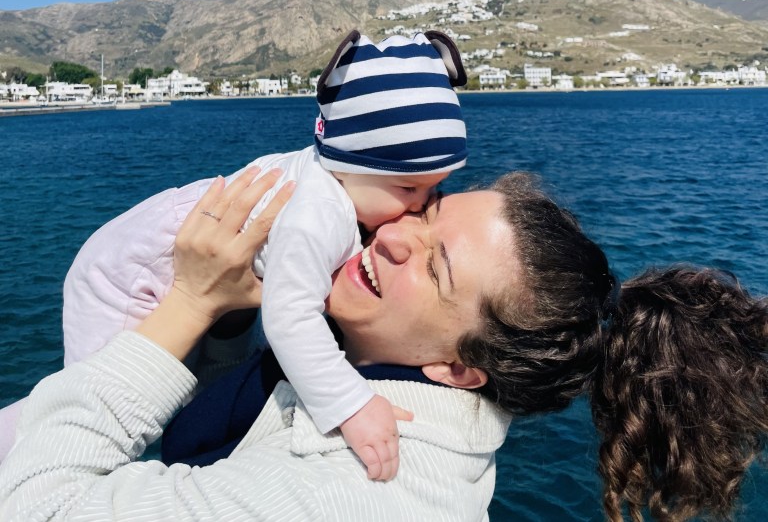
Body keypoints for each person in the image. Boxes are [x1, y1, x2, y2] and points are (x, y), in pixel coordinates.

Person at [1, 170, 766, 522]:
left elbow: (33, 505)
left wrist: (191, 303)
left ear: (461, 368)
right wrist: (231, 316)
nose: (394, 236)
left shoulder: (352, 494)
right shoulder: (381, 369)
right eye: (426, 214)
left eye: (435, 268)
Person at [0, 29, 469, 478]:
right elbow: (291, 318)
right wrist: (349, 404)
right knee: (88, 409)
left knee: (155, 404)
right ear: (349, 162)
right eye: (409, 188)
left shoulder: (338, 179)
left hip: (156, 258)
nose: (421, 205)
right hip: (124, 275)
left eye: (436, 187)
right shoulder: (319, 215)